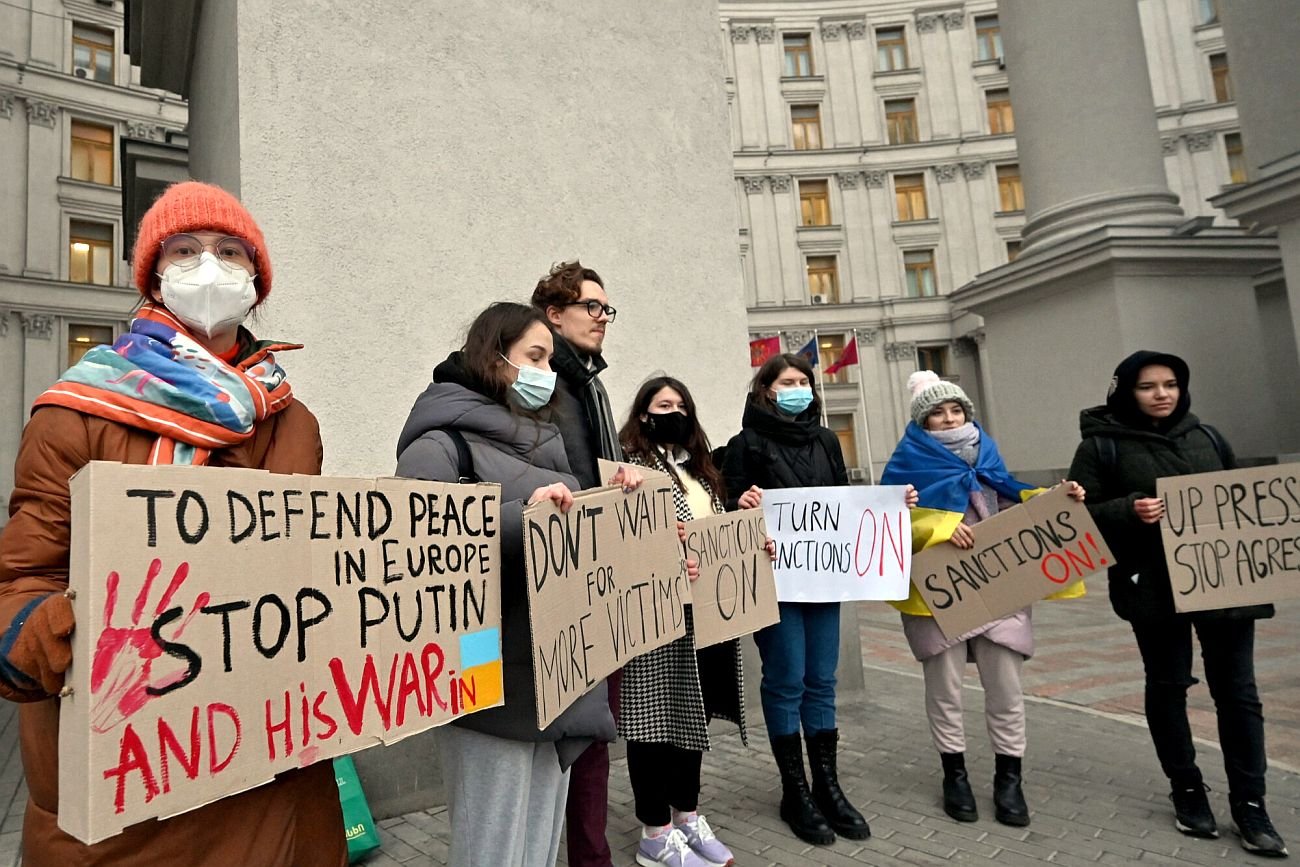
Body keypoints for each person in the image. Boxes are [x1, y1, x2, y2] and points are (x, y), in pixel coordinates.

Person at [0, 182, 346, 864]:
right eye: (185, 250)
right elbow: (22, 579)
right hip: (134, 798)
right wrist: (43, 634)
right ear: (155, 278)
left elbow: (301, 564)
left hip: (273, 775)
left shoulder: (295, 421)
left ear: (256, 279)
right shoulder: (76, 411)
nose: (208, 267)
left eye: (229, 251)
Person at [395, 302, 620, 867]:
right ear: (493, 359)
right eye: (535, 357)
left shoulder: (550, 447)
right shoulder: (440, 447)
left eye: (550, 358)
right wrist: (524, 519)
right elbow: (416, 560)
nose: (548, 372)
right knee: (493, 850)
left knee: (541, 848)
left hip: (560, 680)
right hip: (485, 680)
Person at [1067, 351, 1288, 858]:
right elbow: (1079, 517)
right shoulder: (1100, 446)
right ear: (1126, 391)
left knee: (1238, 692)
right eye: (1149, 386)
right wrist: (1128, 509)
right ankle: (1187, 788)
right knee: (1168, 685)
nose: (1162, 394)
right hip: (1154, 586)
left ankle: (1251, 803)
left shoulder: (1208, 437)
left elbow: (1242, 504)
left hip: (1225, 584)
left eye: (1170, 384)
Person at [721, 353, 915, 846]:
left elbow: (845, 505)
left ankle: (828, 784)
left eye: (804, 381)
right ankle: (795, 789)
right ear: (766, 389)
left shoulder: (826, 439)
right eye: (787, 381)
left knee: (821, 681)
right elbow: (728, 509)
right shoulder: (746, 444)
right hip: (776, 583)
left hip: (825, 581)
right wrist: (740, 502)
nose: (798, 388)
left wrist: (891, 504)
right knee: (786, 678)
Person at [881, 371, 1086, 828]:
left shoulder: (988, 455)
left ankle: (1008, 778)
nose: (949, 418)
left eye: (956, 410)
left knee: (1007, 688)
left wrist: (1060, 497)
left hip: (999, 587)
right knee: (945, 690)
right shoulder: (903, 466)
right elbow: (885, 528)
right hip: (937, 596)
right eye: (938, 412)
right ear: (923, 422)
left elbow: (1017, 497)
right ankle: (954, 774)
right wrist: (937, 526)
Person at [617, 376, 750, 867]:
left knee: (690, 716)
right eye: (662, 404)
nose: (674, 411)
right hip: (654, 612)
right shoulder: (631, 466)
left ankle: (688, 815)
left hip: (703, 611)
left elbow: (711, 529)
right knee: (651, 718)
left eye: (681, 404)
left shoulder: (701, 469)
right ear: (644, 414)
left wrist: (744, 527)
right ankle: (655, 832)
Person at [531, 260, 624, 867]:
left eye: (606, 310)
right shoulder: (543, 386)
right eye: (592, 307)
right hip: (566, 580)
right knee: (574, 738)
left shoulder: (592, 385)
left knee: (595, 738)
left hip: (605, 574)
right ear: (553, 315)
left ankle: (590, 854)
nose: (602, 320)